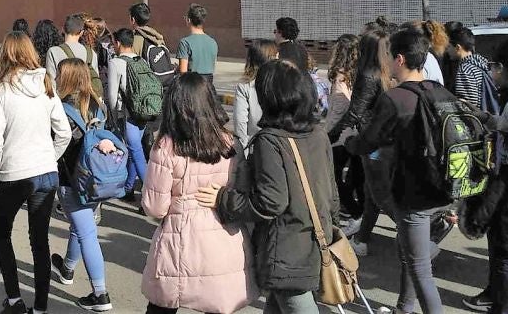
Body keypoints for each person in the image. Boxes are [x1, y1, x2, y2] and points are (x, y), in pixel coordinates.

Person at [201, 59, 339, 314]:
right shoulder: (318, 134)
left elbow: (270, 201)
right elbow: (331, 193)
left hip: (287, 251)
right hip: (314, 240)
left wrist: (224, 199)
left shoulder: (270, 141)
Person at [346, 27, 453, 314]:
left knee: (419, 267)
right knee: (410, 254)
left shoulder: (395, 99)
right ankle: (404, 307)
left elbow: (369, 141)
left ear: (401, 59)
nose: (388, 62)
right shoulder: (440, 91)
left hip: (414, 193)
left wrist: (349, 142)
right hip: (443, 188)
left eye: (391, 56)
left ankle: (414, 302)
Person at [145, 73, 257, 314]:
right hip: (224, 236)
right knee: (217, 303)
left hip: (179, 239)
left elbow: (155, 207)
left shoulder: (166, 147)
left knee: (163, 305)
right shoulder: (230, 143)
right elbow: (243, 190)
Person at [0, 31, 71, 314]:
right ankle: (41, 307)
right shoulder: (47, 85)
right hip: (46, 171)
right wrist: (50, 157)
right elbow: (64, 132)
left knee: (1, 233)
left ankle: (14, 300)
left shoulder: (2, 90)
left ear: (6, 55)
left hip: (15, 172)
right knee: (40, 240)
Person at [463, 36, 508, 314]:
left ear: (503, 68)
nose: (490, 71)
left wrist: (503, 160)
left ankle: (503, 308)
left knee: (507, 257)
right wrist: (485, 118)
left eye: (493, 65)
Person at [52, 58, 115, 311]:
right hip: (97, 178)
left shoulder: (61, 109)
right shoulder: (98, 106)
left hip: (72, 179)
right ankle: (67, 268)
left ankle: (100, 294)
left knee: (87, 232)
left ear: (65, 78)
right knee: (82, 226)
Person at [332, 29, 392, 255]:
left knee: (375, 190)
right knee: (369, 188)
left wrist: (332, 134)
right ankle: (363, 237)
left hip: (369, 138)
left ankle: (422, 234)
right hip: (380, 137)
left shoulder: (368, 74)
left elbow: (355, 112)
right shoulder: (385, 71)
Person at [107, 28, 149, 205]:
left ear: (117, 43)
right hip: (144, 112)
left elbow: (111, 94)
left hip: (129, 113)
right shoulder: (142, 60)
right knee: (135, 150)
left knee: (136, 152)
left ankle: (152, 191)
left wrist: (113, 115)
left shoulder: (115, 62)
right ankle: (128, 188)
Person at [324, 34, 362, 219]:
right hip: (353, 133)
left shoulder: (341, 76)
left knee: (334, 177)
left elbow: (339, 109)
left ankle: (351, 211)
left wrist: (327, 132)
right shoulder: (359, 73)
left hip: (338, 135)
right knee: (351, 176)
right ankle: (355, 210)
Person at [234, 39, 277, 151]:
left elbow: (240, 124)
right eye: (275, 55)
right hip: (281, 146)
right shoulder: (282, 83)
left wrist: (244, 150)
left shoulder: (245, 86)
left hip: (255, 146)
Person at [449, 26, 498, 110]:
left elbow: (467, 105)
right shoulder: (482, 64)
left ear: (457, 47)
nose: (447, 51)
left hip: (477, 119)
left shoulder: (465, 70)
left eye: (449, 47)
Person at [45, 14, 101, 85]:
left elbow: (51, 83)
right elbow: (95, 81)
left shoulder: (53, 52)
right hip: (86, 95)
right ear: (81, 33)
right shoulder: (91, 53)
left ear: (63, 29)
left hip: (62, 95)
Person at [176, 4, 217, 77]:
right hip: (208, 86)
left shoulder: (185, 43)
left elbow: (183, 72)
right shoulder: (213, 42)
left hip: (192, 85)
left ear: (188, 20)